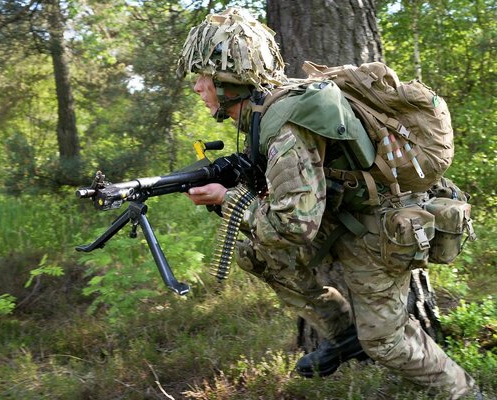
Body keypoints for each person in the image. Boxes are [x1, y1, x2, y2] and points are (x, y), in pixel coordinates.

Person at [176, 8, 478, 400]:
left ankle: (467, 393)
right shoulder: (265, 110)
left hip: (379, 228)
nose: (198, 87)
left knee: (386, 343)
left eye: (203, 77)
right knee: (260, 255)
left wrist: (231, 200)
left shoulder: (284, 126)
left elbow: (295, 225)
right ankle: (345, 333)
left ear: (230, 79)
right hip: (343, 216)